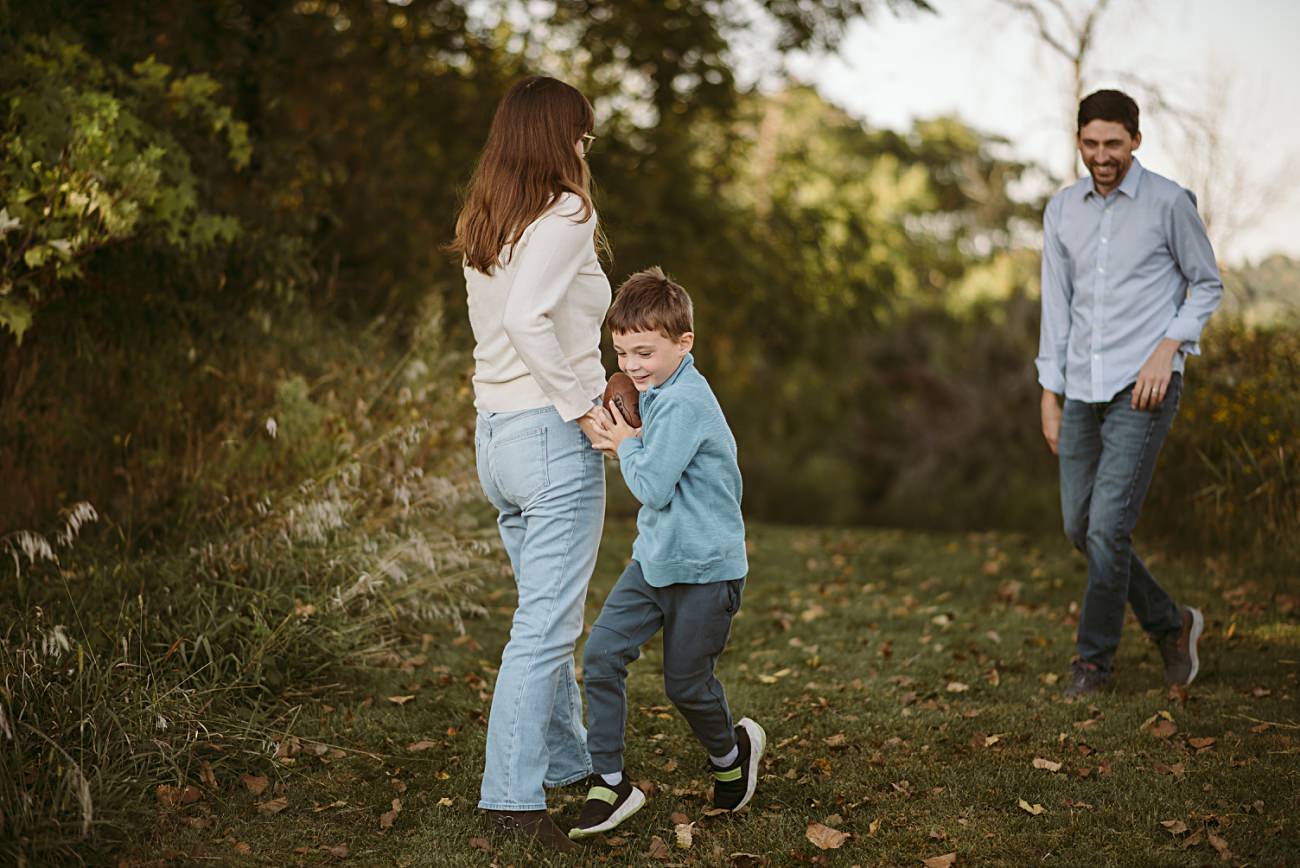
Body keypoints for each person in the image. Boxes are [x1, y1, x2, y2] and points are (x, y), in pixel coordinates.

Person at [451, 75, 612, 852]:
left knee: (544, 616)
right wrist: (585, 404)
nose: (587, 147)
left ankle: (570, 762)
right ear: (558, 137)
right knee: (545, 628)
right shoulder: (568, 211)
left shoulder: (490, 218)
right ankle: (511, 803)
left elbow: (504, 323)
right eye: (582, 133)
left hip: (496, 441)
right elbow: (526, 320)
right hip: (549, 440)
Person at [1036, 89, 1222, 698]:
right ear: (1079, 141)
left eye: (1113, 143)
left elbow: (1206, 285)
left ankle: (1093, 664)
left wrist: (1168, 350)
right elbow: (1057, 308)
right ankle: (1174, 625)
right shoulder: (1062, 210)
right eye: (1090, 143)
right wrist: (1049, 390)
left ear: (1135, 141)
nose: (1101, 155)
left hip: (1143, 389)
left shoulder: (1169, 203)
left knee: (1108, 527)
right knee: (1079, 527)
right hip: (1081, 388)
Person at [570, 267, 765, 840]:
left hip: (706, 570)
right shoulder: (656, 392)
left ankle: (732, 756)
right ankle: (608, 779)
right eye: (622, 351)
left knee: (686, 683)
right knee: (602, 654)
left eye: (644, 352)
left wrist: (625, 444)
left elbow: (652, 485)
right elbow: (648, 465)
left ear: (685, 343)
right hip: (654, 561)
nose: (630, 366)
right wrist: (623, 436)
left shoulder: (685, 404)